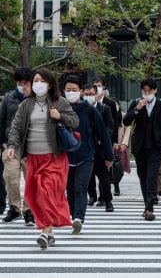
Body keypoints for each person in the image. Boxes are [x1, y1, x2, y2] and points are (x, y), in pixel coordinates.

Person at [6, 68, 79, 249]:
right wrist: (12, 146)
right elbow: (16, 127)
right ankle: (51, 232)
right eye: (35, 80)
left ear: (49, 83)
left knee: (47, 191)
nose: (38, 83)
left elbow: (74, 121)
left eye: (42, 80)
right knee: (35, 196)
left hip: (54, 157)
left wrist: (59, 116)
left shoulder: (59, 102)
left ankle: (45, 233)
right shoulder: (26, 105)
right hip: (33, 157)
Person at [63, 75, 113, 235]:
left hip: (86, 155)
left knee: (80, 187)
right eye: (68, 90)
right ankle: (73, 215)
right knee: (69, 189)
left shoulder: (90, 110)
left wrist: (109, 156)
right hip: (65, 157)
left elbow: (103, 134)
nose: (71, 93)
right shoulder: (59, 109)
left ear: (81, 92)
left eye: (74, 90)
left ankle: (78, 218)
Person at [123, 78, 161, 221]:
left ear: (155, 90)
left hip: (156, 146)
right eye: (144, 91)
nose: (147, 94)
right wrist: (137, 109)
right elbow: (126, 121)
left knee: (152, 176)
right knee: (143, 176)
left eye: (149, 91)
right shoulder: (136, 103)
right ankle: (147, 204)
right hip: (140, 147)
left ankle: (149, 207)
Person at [1, 67, 33, 224]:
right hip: (10, 144)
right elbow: (2, 121)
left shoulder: (36, 99)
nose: (22, 85)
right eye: (20, 82)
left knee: (31, 179)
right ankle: (14, 207)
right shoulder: (8, 98)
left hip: (32, 146)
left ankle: (29, 210)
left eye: (26, 82)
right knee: (10, 176)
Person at [84, 84, 115, 212]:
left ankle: (108, 200)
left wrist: (103, 138)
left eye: (91, 94)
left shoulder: (104, 109)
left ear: (97, 95)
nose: (89, 97)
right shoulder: (80, 109)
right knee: (88, 176)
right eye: (86, 94)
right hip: (86, 148)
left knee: (104, 177)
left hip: (100, 148)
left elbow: (110, 126)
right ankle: (92, 196)